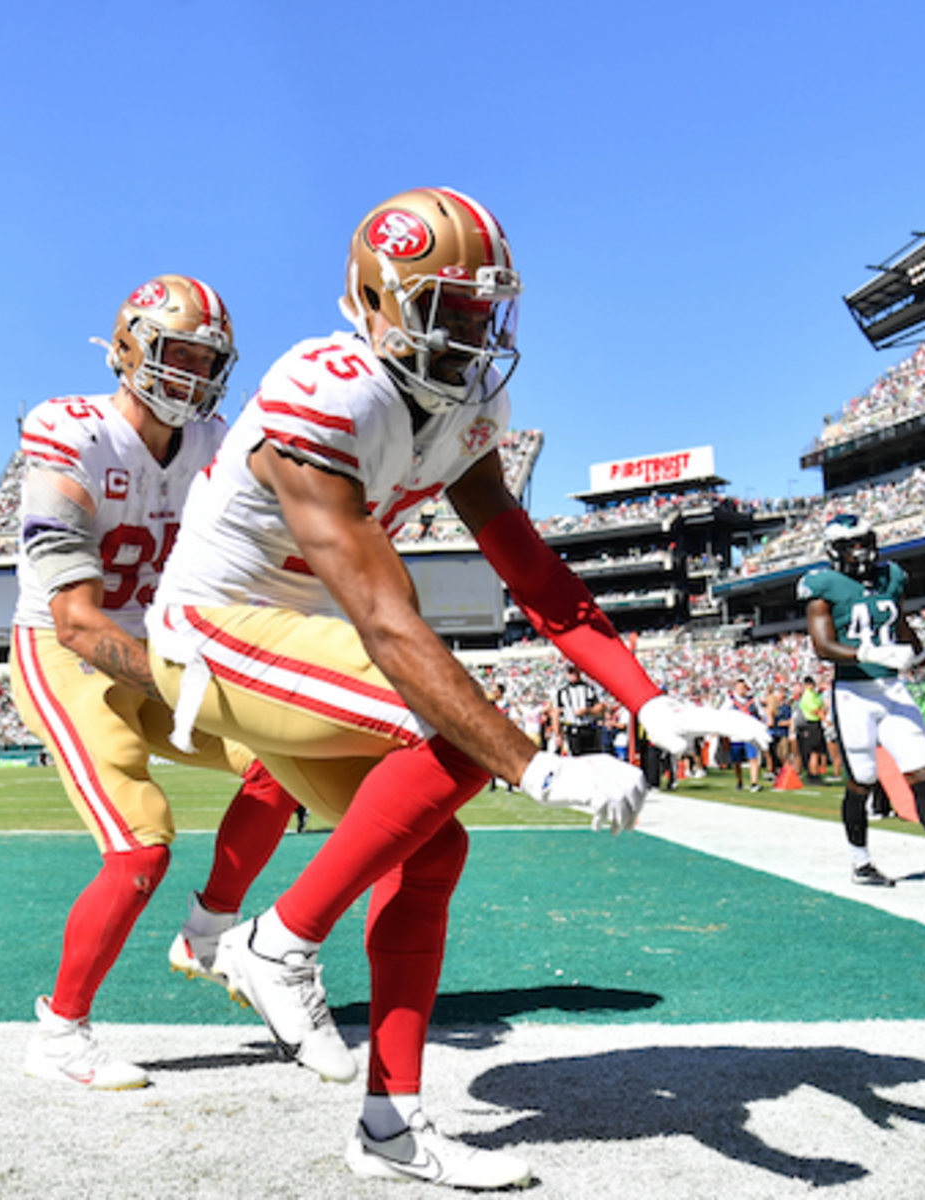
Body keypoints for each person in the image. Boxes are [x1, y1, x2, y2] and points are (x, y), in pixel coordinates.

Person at [146, 188, 768, 1189]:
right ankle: (278, 940)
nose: (473, 331)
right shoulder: (327, 386)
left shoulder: (469, 407)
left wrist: (646, 699)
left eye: (485, 309)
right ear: (372, 300)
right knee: (462, 741)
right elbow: (389, 625)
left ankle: (389, 1129)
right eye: (447, 306)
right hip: (211, 636)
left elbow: (534, 575)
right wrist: (539, 768)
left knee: (433, 850)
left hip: (302, 638)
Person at [10, 275, 300, 1090]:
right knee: (141, 844)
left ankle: (209, 934)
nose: (192, 376)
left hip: (160, 644)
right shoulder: (71, 431)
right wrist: (184, 685)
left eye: (209, 361)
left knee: (285, 754)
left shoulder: (220, 438)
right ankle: (60, 1034)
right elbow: (75, 619)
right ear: (131, 345)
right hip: (67, 650)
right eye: (177, 355)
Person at [798, 514, 925, 894]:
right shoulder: (823, 585)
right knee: (861, 782)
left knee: (920, 773)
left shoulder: (891, 577)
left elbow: (901, 627)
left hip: (894, 689)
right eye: (853, 544)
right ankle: (861, 862)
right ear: (836, 550)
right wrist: (870, 652)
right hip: (854, 694)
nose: (861, 550)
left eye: (865, 541)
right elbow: (822, 645)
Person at [555, 664, 605, 756]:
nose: (573, 675)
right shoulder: (562, 692)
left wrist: (587, 710)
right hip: (573, 730)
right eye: (570, 672)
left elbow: (600, 708)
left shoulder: (589, 689)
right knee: (576, 759)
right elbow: (556, 713)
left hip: (589, 729)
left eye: (574, 672)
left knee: (592, 757)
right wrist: (558, 734)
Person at [726, 678, 762, 792]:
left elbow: (762, 714)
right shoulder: (730, 701)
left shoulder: (753, 701)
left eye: (744, 687)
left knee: (752, 758)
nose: (742, 690)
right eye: (739, 687)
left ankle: (754, 782)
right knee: (737, 761)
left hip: (750, 733)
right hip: (736, 734)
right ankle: (739, 781)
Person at [797, 676, 827, 782]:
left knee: (817, 752)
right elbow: (815, 710)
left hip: (816, 724)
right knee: (814, 752)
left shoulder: (814, 694)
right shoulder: (807, 695)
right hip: (811, 724)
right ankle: (813, 775)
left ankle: (815, 774)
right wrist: (826, 720)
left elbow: (822, 707)